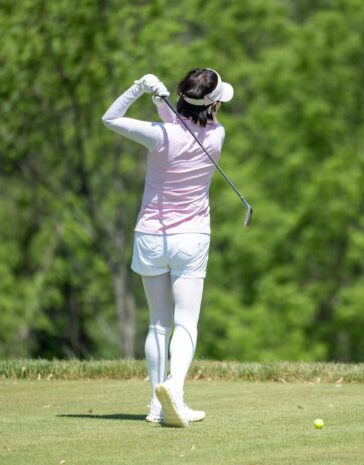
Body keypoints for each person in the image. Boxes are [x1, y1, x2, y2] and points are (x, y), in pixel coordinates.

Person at [102, 69, 233, 427]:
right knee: (185, 321)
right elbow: (183, 126)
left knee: (158, 323)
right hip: (191, 239)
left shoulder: (159, 135)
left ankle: (156, 405)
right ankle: (174, 388)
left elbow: (110, 118)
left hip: (151, 237)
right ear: (213, 105)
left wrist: (140, 89)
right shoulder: (217, 134)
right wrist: (161, 102)